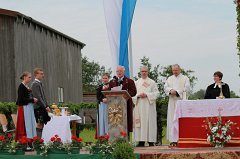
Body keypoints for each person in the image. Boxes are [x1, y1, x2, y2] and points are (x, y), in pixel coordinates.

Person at [132, 66, 159, 147]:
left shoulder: (152, 82)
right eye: (142, 71)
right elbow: (132, 95)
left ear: (148, 72)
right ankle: (141, 141)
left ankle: (151, 141)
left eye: (145, 71)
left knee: (150, 122)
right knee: (140, 122)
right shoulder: (136, 82)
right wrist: (138, 95)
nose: (144, 72)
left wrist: (147, 94)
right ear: (140, 72)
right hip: (139, 105)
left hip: (149, 106)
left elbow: (157, 93)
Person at [164, 64, 190, 146]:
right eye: (173, 70)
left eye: (176, 70)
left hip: (181, 102)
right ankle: (173, 139)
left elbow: (187, 88)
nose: (175, 72)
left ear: (179, 70)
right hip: (172, 101)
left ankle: (182, 138)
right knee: (172, 119)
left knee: (180, 120)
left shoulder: (185, 78)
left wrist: (177, 92)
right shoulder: (169, 78)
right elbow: (165, 87)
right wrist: (171, 90)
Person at [109, 66, 137, 134]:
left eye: (120, 71)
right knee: (115, 121)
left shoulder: (130, 81)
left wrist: (126, 94)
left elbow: (134, 92)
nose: (119, 72)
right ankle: (115, 136)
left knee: (126, 121)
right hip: (115, 105)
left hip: (126, 104)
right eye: (118, 71)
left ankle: (125, 138)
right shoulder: (112, 81)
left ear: (124, 72)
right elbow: (109, 91)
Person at [16, 72, 38, 151]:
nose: (30, 78)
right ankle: (24, 145)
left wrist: (32, 99)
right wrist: (32, 99)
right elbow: (21, 99)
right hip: (24, 109)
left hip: (28, 108)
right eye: (29, 77)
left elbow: (26, 97)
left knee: (30, 125)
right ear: (24, 77)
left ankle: (30, 143)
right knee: (25, 125)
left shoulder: (26, 86)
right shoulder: (21, 87)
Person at [32, 68, 51, 138]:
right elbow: (38, 97)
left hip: (42, 107)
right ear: (36, 74)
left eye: (43, 74)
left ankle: (40, 141)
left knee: (42, 124)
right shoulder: (35, 84)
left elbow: (43, 97)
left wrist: (47, 105)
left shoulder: (39, 83)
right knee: (39, 124)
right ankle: (38, 142)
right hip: (38, 107)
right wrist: (45, 107)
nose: (43, 75)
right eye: (41, 74)